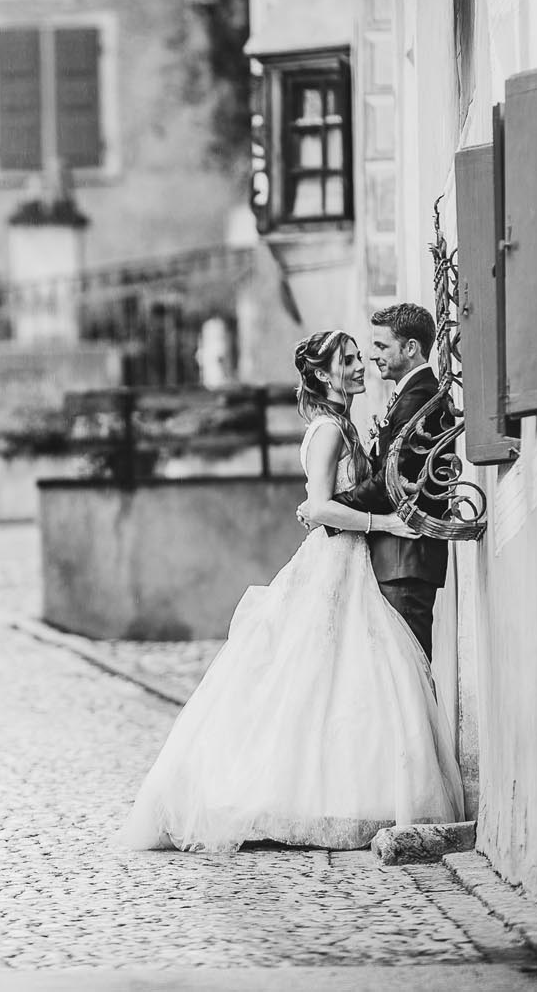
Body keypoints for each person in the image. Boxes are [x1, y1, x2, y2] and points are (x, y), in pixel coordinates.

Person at [114, 330, 463, 853]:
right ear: (324, 375)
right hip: (337, 558)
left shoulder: (341, 426)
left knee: (339, 678)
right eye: (347, 360)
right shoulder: (327, 430)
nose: (359, 366)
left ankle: (346, 791)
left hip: (351, 560)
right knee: (313, 678)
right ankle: (287, 796)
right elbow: (321, 507)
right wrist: (386, 523)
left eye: (357, 357)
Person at [306, 302, 451, 660]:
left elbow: (390, 482)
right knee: (392, 673)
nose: (369, 359)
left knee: (406, 671)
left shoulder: (418, 398)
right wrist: (322, 506)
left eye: (380, 347)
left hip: (405, 558)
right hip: (388, 557)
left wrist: (325, 508)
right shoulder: (403, 398)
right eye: (353, 358)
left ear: (411, 348)